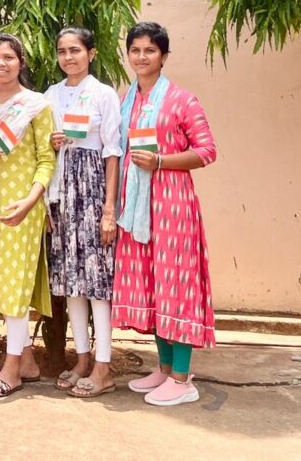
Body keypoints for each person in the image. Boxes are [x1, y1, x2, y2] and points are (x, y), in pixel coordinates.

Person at [112, 21, 219, 407]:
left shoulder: (182, 100)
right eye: (135, 50)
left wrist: (161, 161)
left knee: (176, 284)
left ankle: (182, 377)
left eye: (150, 50)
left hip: (172, 203)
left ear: (164, 56)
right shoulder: (128, 100)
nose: (142, 57)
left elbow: (207, 151)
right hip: (137, 207)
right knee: (154, 284)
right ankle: (164, 367)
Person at [0, 33, 56, 399]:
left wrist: (30, 201)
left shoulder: (36, 105)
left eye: (8, 57)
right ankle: (27, 362)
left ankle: (11, 369)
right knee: (3, 278)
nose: (1, 64)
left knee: (18, 280)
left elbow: (46, 159)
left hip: (24, 203)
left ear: (21, 61)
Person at [44, 27, 121, 398]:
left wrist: (109, 209)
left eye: (75, 50)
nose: (68, 57)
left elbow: (112, 152)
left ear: (90, 53)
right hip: (61, 189)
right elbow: (41, 149)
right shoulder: (51, 96)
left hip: (91, 189)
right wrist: (54, 142)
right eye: (62, 51)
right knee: (70, 280)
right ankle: (82, 358)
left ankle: (105, 366)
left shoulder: (103, 94)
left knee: (96, 281)